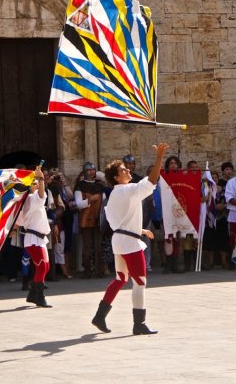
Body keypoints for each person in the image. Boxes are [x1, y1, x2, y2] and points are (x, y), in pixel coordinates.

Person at [91, 143, 167, 335]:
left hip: (120, 239)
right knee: (140, 281)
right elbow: (151, 181)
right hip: (128, 243)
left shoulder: (114, 195)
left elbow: (118, 221)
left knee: (120, 278)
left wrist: (139, 229)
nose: (128, 170)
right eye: (124, 169)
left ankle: (100, 316)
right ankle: (139, 324)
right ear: (116, 177)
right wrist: (159, 157)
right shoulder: (127, 190)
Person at [22, 165, 53, 307]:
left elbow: (41, 196)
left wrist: (39, 178)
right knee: (41, 267)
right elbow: (41, 196)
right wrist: (40, 178)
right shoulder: (29, 199)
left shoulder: (32, 199)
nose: (36, 185)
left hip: (39, 239)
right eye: (33, 183)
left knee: (45, 267)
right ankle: (39, 297)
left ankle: (32, 295)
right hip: (33, 239)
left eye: (36, 182)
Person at [75, 162, 105, 278]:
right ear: (85, 172)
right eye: (89, 170)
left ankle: (99, 270)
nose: (91, 172)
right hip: (86, 218)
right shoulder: (80, 186)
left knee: (98, 245)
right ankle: (87, 271)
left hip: (98, 217)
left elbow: (105, 203)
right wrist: (90, 199)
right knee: (86, 246)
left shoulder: (100, 186)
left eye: (93, 170)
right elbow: (78, 205)